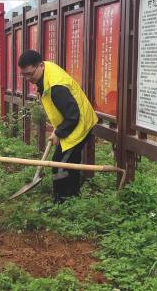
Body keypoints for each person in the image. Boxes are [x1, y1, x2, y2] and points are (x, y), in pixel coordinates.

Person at [17, 50, 97, 203]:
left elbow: (73, 115)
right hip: (70, 121)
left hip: (79, 125)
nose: (27, 79)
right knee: (67, 162)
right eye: (24, 75)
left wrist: (59, 132)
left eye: (29, 74)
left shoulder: (56, 87)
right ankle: (72, 196)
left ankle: (62, 201)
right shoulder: (44, 72)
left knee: (59, 164)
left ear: (40, 65)